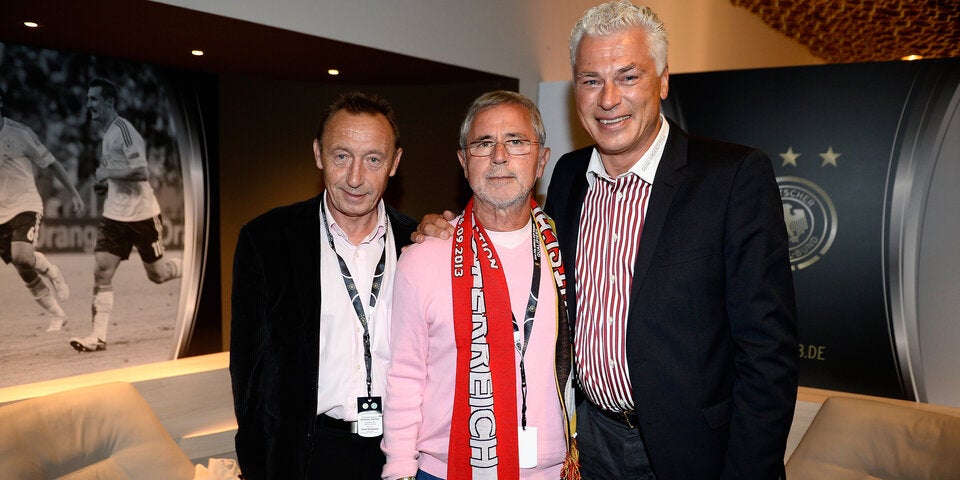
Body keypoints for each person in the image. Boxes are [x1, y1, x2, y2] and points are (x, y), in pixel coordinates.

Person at [416, 2, 799, 479]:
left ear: (662, 80)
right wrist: (449, 232)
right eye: (591, 80)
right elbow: (518, 253)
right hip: (587, 443)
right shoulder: (568, 177)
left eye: (628, 76)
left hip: (694, 453)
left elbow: (769, 355)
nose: (608, 99)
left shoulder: (732, 177)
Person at [382, 91, 576, 480]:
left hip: (559, 471)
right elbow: (403, 376)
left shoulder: (572, 252)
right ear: (463, 161)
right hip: (446, 471)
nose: (499, 156)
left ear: (542, 159)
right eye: (484, 143)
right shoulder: (423, 257)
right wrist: (399, 470)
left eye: (516, 142)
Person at [230, 92, 417, 480]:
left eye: (373, 159)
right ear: (318, 154)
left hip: (403, 452)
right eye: (341, 155)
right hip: (309, 455)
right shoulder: (267, 240)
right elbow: (248, 375)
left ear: (394, 163)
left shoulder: (420, 242)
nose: (354, 178)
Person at [69, 77, 182, 352]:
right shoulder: (106, 135)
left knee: (157, 275)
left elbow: (142, 171)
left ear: (109, 102)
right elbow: (119, 174)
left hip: (143, 215)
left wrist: (108, 173)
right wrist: (104, 184)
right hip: (114, 217)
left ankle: (183, 265)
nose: (89, 104)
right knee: (101, 272)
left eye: (94, 99)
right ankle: (97, 337)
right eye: (88, 99)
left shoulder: (125, 130)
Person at [0, 87, 85, 332]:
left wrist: (74, 193)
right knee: (22, 269)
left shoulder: (20, 134)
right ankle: (58, 315)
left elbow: (53, 164)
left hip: (25, 204)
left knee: (22, 256)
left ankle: (52, 271)